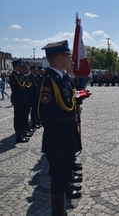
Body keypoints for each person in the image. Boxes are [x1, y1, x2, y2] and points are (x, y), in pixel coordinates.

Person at [38, 40, 82, 215]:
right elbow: (47, 118)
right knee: (58, 183)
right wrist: (57, 147)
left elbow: (67, 103)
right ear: (58, 58)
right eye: (67, 56)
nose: (70, 60)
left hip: (67, 138)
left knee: (63, 180)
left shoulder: (61, 78)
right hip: (58, 142)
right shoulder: (49, 80)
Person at [9, 59, 32, 143]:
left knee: (24, 116)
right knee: (19, 118)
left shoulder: (20, 75)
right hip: (18, 99)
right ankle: (19, 135)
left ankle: (23, 132)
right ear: (15, 66)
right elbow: (17, 88)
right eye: (20, 66)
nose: (21, 68)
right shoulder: (13, 76)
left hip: (23, 99)